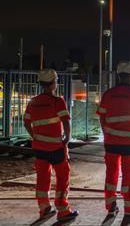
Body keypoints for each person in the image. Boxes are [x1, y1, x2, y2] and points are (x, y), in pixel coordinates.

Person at [24, 69, 78, 221]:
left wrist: (34, 136)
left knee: (42, 178)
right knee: (62, 178)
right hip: (56, 149)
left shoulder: (33, 102)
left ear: (41, 84)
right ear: (54, 83)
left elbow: (26, 122)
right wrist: (67, 137)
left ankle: (44, 209)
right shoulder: (57, 101)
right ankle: (63, 210)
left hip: (39, 149)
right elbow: (66, 121)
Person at [97, 61, 130, 216]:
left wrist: (107, 134)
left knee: (111, 173)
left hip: (111, 143)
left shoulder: (108, 94)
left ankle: (110, 205)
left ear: (119, 76)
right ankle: (129, 206)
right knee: (128, 175)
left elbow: (102, 117)